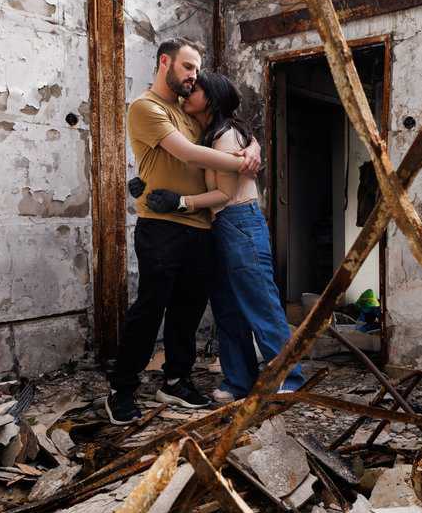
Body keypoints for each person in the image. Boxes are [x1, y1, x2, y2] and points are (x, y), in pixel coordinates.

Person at [106, 38, 263, 425]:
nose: (194, 76)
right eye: (188, 67)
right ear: (165, 62)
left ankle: (176, 380)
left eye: (196, 69)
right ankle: (121, 389)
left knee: (187, 310)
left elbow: (225, 125)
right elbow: (188, 153)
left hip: (200, 224)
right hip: (161, 226)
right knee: (150, 308)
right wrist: (241, 161)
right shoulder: (146, 107)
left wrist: (253, 147)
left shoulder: (188, 108)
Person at [142, 70, 305, 403]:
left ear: (211, 98)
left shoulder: (225, 135)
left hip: (239, 221)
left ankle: (289, 378)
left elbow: (224, 193)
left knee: (260, 303)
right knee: (227, 308)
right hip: (218, 224)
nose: (187, 94)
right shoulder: (206, 133)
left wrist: (181, 202)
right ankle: (239, 381)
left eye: (195, 89)